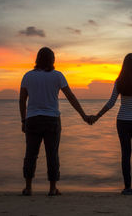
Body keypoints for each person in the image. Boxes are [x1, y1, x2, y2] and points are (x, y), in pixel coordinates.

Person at [19, 47, 90, 196]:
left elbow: (22, 100)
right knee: (52, 154)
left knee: (31, 154)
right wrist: (83, 115)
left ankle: (28, 187)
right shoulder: (57, 76)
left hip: (32, 119)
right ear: (52, 60)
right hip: (52, 119)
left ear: (37, 59)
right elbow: (70, 97)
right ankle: (52, 188)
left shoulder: (28, 76)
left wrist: (23, 120)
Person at [91, 53, 132, 195]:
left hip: (123, 121)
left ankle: (127, 187)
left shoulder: (120, 81)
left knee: (125, 155)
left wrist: (97, 116)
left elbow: (111, 103)